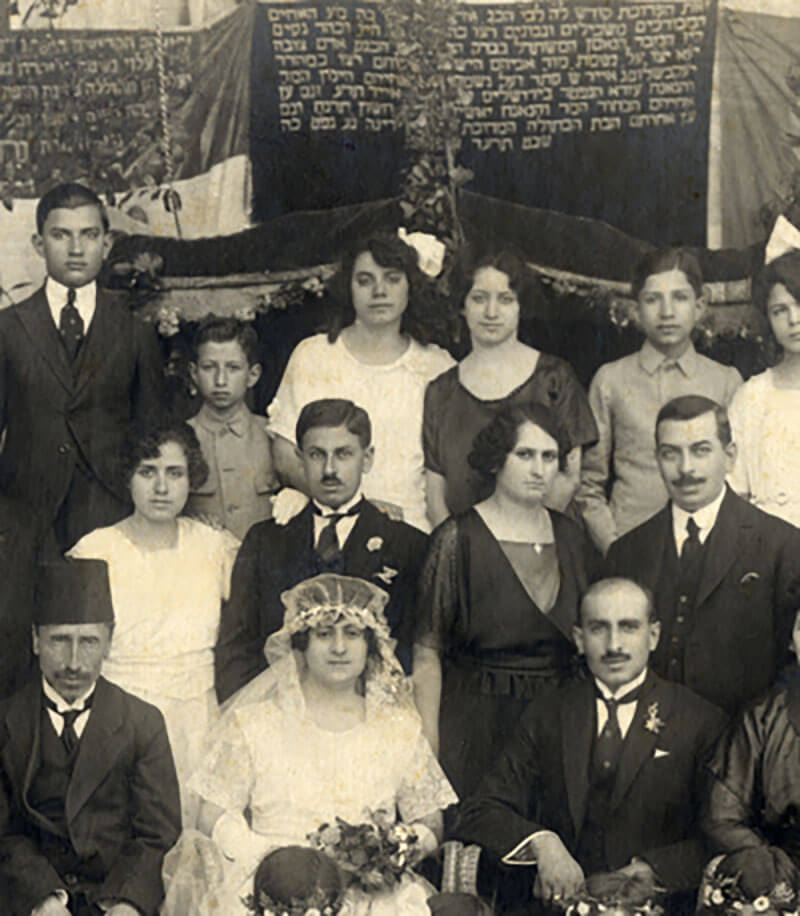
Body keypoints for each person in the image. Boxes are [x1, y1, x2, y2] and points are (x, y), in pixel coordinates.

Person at [163, 573, 457, 916]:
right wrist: (265, 855)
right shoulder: (256, 723)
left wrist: (388, 850)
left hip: (371, 899)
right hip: (274, 892)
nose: (339, 648)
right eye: (323, 634)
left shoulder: (399, 729)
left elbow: (431, 821)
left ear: (370, 645)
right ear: (301, 645)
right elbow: (210, 814)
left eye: (352, 634)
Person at [453, 578, 726, 914]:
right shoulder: (548, 711)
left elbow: (719, 833)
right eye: (599, 629)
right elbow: (480, 809)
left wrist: (651, 870)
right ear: (580, 639)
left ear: (653, 636)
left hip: (656, 906)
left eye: (628, 627)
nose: (614, 645)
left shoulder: (699, 719)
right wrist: (542, 844)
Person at [414, 402, 598, 798]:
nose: (538, 470)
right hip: (476, 724)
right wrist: (428, 740)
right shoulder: (456, 538)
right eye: (525, 455)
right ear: (498, 458)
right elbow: (428, 650)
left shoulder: (571, 537)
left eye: (549, 457)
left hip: (555, 723)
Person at [68, 421, 239, 822]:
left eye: (174, 473)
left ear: (191, 478)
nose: (161, 487)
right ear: (128, 476)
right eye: (147, 472)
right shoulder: (96, 550)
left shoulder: (215, 547)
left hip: (196, 723)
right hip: (119, 721)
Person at [215, 398, 428, 703]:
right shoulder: (265, 541)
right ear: (300, 459)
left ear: (367, 459)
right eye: (317, 455)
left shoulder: (408, 545)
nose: (330, 469)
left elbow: (416, 654)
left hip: (372, 721)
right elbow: (236, 650)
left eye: (343, 454)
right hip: (281, 721)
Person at [0, 557, 181, 916]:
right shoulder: (5, 719)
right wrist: (42, 898)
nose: (73, 662)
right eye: (59, 640)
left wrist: (127, 902)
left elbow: (157, 834)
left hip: (112, 897)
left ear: (109, 643)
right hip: (26, 899)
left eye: (88, 642)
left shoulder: (143, 722)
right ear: (36, 640)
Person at [604, 395, 800, 713]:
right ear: (656, 459)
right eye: (671, 454)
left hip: (746, 744)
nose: (686, 469)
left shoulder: (782, 546)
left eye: (701, 451)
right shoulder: (627, 552)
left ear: (731, 456)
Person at [0, 182, 163, 554]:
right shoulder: (7, 328)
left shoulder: (136, 328)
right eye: (61, 235)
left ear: (106, 245)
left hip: (112, 514)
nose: (76, 249)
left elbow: (150, 430)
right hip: (23, 521)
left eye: (88, 235)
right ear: (39, 244)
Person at [268, 232, 454, 531]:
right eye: (365, 280)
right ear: (348, 288)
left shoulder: (436, 366)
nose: (379, 291)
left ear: (411, 287)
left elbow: (450, 469)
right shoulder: (313, 356)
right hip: (328, 525)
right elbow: (285, 455)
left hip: (410, 529)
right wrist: (357, 509)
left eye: (392, 279)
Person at [578, 247, 742, 554]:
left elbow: (738, 476)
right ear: (636, 310)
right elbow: (588, 485)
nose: (667, 312)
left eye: (679, 298)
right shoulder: (610, 380)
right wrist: (615, 547)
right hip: (632, 544)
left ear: (700, 305)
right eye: (653, 300)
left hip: (708, 550)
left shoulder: (726, 381)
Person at [423, 249, 597, 526]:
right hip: (465, 558)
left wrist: (515, 544)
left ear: (520, 306)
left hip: (543, 543)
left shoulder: (554, 378)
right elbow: (435, 497)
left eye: (505, 299)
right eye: (479, 299)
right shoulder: (440, 391)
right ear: (462, 305)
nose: (491, 312)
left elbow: (568, 478)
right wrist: (462, 554)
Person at [698, 605, 800, 907]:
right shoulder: (763, 718)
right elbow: (722, 818)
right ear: (792, 642)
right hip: (780, 882)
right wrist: (774, 871)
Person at [186, 316, 278, 540]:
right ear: (194, 373)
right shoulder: (180, 439)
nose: (220, 380)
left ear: (253, 375)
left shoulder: (273, 435)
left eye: (233, 368)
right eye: (209, 367)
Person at [727, 249, 800, 527]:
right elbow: (736, 490)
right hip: (768, 547)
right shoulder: (753, 396)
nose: (794, 320)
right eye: (780, 310)